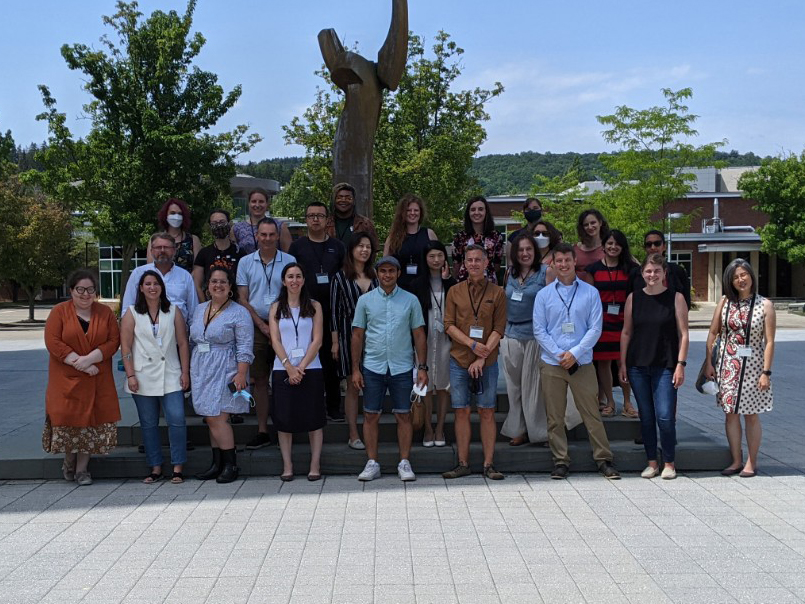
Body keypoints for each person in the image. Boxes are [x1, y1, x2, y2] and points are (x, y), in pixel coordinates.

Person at [533, 243, 620, 480]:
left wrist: (575, 353)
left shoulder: (590, 293)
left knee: (591, 413)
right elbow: (539, 330)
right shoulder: (544, 295)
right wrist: (559, 354)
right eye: (558, 261)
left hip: (581, 363)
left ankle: (604, 459)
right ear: (552, 263)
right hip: (552, 363)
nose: (563, 265)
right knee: (555, 416)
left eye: (567, 260)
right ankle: (560, 461)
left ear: (574, 262)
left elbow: (595, 328)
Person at [351, 256, 428, 482]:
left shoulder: (410, 300)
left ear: (398, 273)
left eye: (391, 271)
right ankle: (372, 462)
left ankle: (404, 462)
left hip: (402, 366)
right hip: (373, 365)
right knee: (370, 415)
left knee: (404, 415)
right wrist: (355, 369)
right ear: (377, 273)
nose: (387, 275)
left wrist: (422, 367)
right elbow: (357, 335)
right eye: (383, 271)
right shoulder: (365, 301)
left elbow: (419, 334)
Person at [43, 269, 121, 486]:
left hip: (98, 379)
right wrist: (80, 362)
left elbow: (114, 341)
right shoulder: (59, 312)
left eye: (90, 290)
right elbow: (53, 341)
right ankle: (69, 460)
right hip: (66, 379)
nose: (86, 294)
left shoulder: (105, 313)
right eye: (80, 289)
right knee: (69, 423)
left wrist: (91, 359)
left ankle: (82, 470)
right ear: (71, 291)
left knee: (90, 425)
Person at [619, 253, 689, 480]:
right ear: (642, 274)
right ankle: (652, 462)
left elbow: (684, 334)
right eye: (648, 271)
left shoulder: (676, 298)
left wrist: (680, 364)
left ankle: (669, 462)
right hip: (638, 365)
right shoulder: (633, 298)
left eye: (656, 271)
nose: (652, 275)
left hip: (666, 365)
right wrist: (622, 363)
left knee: (666, 416)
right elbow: (627, 332)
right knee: (646, 417)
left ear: (664, 273)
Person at [704, 259, 775, 478]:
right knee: (730, 414)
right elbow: (713, 332)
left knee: (751, 415)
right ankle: (736, 460)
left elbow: (769, 341)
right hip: (727, 367)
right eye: (735, 277)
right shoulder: (725, 302)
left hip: (753, 368)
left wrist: (766, 372)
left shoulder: (765, 305)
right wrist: (709, 362)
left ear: (751, 276)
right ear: (730, 281)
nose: (740, 280)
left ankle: (751, 462)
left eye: (744, 275)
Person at [442, 244, 507, 480]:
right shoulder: (455, 291)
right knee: (461, 411)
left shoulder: (497, 292)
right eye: (469, 260)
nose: (473, 264)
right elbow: (448, 325)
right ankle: (463, 463)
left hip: (487, 363)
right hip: (459, 359)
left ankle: (489, 464)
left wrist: (482, 356)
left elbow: (499, 329)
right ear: (464, 264)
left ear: (487, 263)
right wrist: (471, 345)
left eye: (478, 260)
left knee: (487, 411)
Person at [120, 270, 190, 484]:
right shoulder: (131, 313)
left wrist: (185, 371)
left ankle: (178, 467)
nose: (152, 287)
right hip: (142, 376)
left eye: (156, 283)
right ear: (140, 288)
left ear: (162, 287)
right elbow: (126, 346)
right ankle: (155, 467)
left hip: (171, 373)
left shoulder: (174, 311)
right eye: (147, 284)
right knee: (148, 423)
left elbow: (182, 343)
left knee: (177, 419)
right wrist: (130, 373)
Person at [190, 267, 254, 483]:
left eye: (223, 282)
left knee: (218, 417)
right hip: (201, 368)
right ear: (207, 285)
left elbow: (245, 345)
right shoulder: (199, 309)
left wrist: (241, 373)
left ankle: (230, 465)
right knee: (210, 417)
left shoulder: (239, 312)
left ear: (230, 287)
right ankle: (216, 464)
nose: (218, 285)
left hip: (226, 368)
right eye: (214, 281)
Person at [236, 218, 296, 449]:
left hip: (286, 323)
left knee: (286, 376)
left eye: (272, 235)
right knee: (260, 379)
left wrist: (276, 324)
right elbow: (242, 298)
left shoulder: (289, 261)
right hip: (257, 324)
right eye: (264, 235)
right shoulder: (245, 262)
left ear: (278, 236)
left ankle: (286, 424)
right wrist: (262, 326)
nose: (268, 239)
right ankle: (262, 429)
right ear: (257, 236)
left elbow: (294, 291)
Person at [289, 201, 346, 422]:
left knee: (330, 361)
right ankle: (308, 405)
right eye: (311, 215)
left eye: (320, 216)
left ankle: (333, 407)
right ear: (306, 219)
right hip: (305, 309)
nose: (315, 219)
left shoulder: (338, 246)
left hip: (332, 308)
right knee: (305, 357)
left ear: (327, 220)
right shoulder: (297, 247)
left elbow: (344, 275)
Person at [269, 263, 326, 481]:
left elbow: (317, 340)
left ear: (304, 280)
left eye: (298, 276)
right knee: (284, 420)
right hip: (282, 368)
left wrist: (300, 367)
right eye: (290, 277)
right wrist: (289, 367)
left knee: (314, 418)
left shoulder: (314, 306)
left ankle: (315, 465)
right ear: (283, 281)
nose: (294, 280)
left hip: (310, 368)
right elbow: (275, 340)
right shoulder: (276, 308)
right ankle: (287, 466)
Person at [330, 232, 378, 449]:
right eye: (360, 246)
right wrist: (335, 342)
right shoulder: (340, 277)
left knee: (372, 382)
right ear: (351, 250)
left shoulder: (376, 275)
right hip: (349, 335)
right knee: (352, 384)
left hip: (375, 336)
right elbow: (333, 312)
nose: (364, 250)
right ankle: (353, 433)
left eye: (368, 246)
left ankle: (371, 430)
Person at [584, 229, 639, 418]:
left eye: (617, 244)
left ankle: (627, 402)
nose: (613, 247)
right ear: (603, 246)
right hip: (602, 323)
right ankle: (609, 402)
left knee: (623, 362)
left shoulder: (631, 268)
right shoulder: (593, 269)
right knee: (604, 364)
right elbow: (590, 297)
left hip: (625, 323)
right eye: (609, 243)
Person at [499, 232, 548, 446]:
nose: (525, 253)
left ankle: (540, 432)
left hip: (534, 336)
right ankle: (518, 429)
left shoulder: (546, 272)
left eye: (529, 249)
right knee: (514, 387)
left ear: (535, 251)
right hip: (511, 335)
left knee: (534, 388)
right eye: (520, 250)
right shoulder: (509, 273)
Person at [409, 240, 456, 447]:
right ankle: (427, 427)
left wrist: (446, 281)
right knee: (425, 385)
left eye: (440, 255)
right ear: (425, 259)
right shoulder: (417, 284)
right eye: (431, 256)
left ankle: (440, 428)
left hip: (447, 340)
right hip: (424, 339)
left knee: (444, 386)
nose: (436, 260)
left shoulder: (452, 283)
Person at [122, 232, 199, 322]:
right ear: (151, 251)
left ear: (174, 250)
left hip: (178, 332)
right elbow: (127, 310)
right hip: (144, 332)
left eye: (166, 247)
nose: (162, 250)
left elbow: (194, 312)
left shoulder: (185, 276)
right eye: (158, 247)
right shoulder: (138, 274)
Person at [383, 193, 438, 291]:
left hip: (424, 288)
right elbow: (385, 264)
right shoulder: (393, 237)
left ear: (421, 212)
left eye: (416, 210)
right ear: (402, 213)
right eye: (408, 210)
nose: (413, 213)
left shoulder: (429, 234)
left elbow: (437, 261)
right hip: (399, 289)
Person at [629, 230, 692, 309]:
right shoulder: (634, 273)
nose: (653, 247)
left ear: (664, 246)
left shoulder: (678, 271)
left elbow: (686, 303)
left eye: (657, 243)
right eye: (649, 244)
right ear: (644, 248)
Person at [193, 209, 244, 302]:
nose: (218, 225)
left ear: (229, 223)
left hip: (235, 303)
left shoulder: (240, 253)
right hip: (210, 303)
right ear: (210, 227)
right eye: (214, 223)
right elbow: (197, 284)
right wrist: (204, 306)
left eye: (222, 222)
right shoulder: (204, 253)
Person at [452, 196, 504, 283]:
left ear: (486, 212)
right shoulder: (460, 237)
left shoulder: (496, 236)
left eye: (480, 209)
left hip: (489, 283)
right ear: (468, 213)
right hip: (465, 282)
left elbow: (497, 265)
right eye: (473, 209)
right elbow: (456, 265)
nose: (476, 212)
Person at [147, 198, 201, 271]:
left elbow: (197, 270)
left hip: (186, 281)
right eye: (172, 213)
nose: (176, 216)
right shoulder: (155, 240)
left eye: (180, 213)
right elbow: (151, 267)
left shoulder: (193, 240)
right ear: (165, 215)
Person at [232, 188, 292, 254]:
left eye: (261, 201)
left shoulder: (279, 226)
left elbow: (288, 254)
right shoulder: (237, 228)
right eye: (254, 201)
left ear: (267, 204)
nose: (257, 205)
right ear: (248, 204)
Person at [325, 182, 379, 252]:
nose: (343, 200)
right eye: (339, 197)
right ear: (333, 200)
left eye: (348, 198)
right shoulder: (325, 224)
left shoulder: (365, 224)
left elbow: (374, 249)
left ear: (354, 201)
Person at [572, 209, 609, 281]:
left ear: (600, 223)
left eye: (593, 223)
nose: (590, 227)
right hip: (579, 290)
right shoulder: (575, 249)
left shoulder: (610, 248)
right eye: (586, 225)